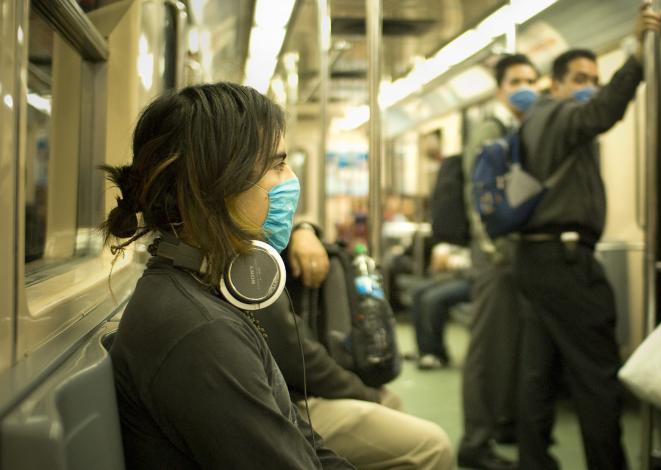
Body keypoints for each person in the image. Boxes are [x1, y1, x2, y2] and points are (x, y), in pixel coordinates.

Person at [104, 83, 353, 469]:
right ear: (217, 183)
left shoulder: (203, 288)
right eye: (276, 164)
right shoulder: (198, 332)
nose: (290, 179)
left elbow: (301, 440)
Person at [512, 4, 661, 470]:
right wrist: (637, 55)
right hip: (566, 263)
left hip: (534, 261)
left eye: (594, 79)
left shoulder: (532, 121)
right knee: (596, 373)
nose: (589, 89)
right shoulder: (557, 115)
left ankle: (534, 462)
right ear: (554, 84)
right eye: (580, 79)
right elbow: (604, 111)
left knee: (538, 371)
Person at [263, 223, 456, 470]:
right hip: (284, 403)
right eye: (275, 180)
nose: (287, 185)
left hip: (289, 391)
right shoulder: (249, 265)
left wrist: (304, 228)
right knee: (433, 446)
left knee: (391, 403)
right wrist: (366, 394)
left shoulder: (260, 246)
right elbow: (300, 356)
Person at [458, 53, 539, 470]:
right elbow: (479, 198)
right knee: (488, 349)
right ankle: (475, 442)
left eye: (531, 79)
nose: (525, 87)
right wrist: (489, 247)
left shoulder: (518, 130)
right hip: (494, 254)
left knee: (509, 345)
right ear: (500, 89)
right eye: (516, 81)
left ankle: (500, 426)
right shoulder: (490, 130)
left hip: (510, 252)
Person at [410, 242, 472, 369]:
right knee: (418, 293)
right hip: (459, 275)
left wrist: (455, 262)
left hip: (475, 279)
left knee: (432, 299)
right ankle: (424, 351)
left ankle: (437, 354)